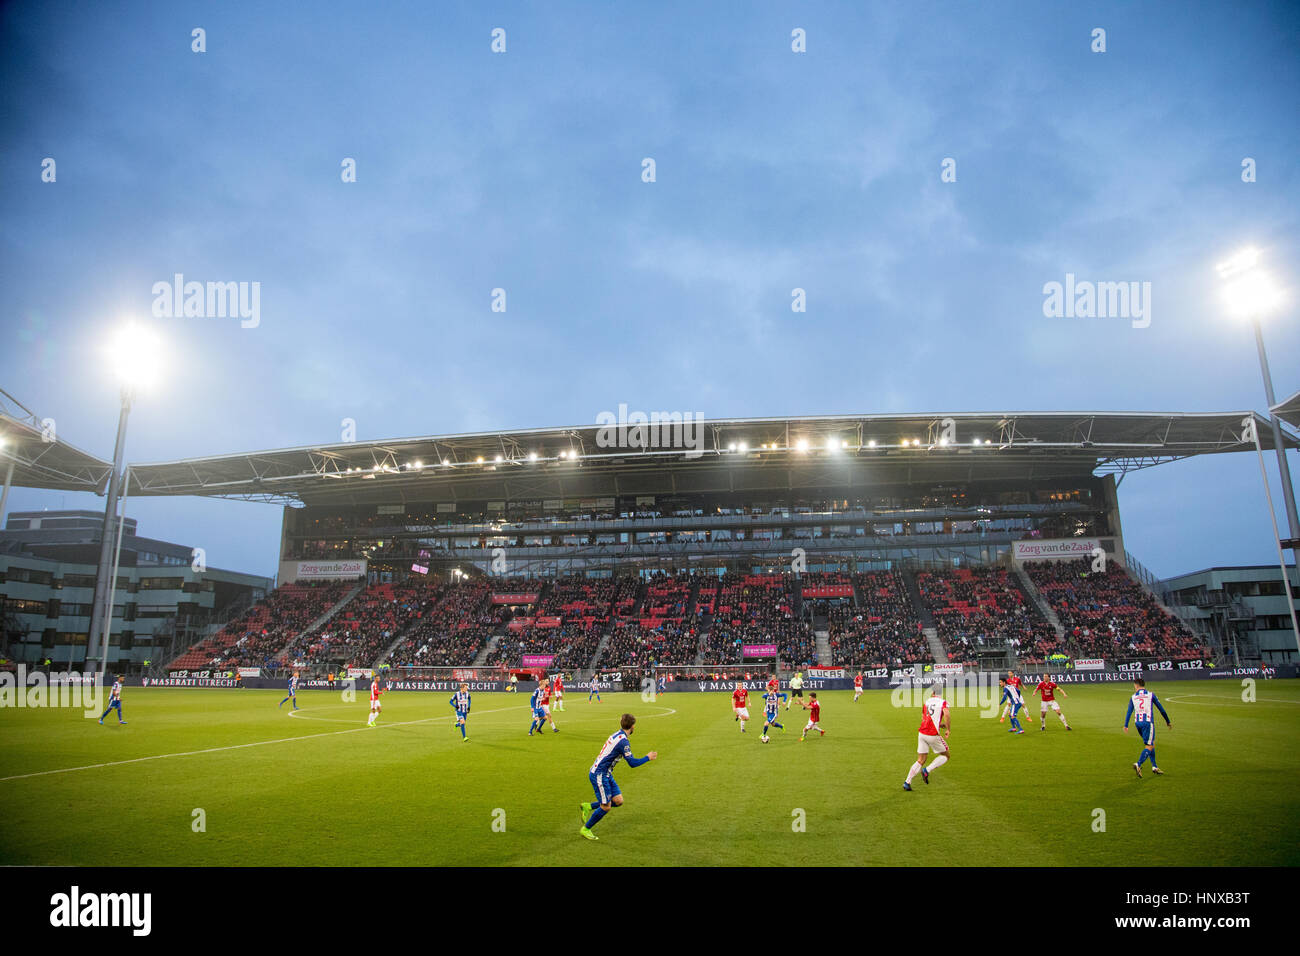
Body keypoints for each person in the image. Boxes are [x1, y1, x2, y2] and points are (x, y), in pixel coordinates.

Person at [578, 713, 658, 841]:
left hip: (606, 773)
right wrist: (647, 757)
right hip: (599, 774)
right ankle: (586, 829)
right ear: (632, 726)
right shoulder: (623, 742)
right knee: (606, 806)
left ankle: (588, 806)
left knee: (618, 801)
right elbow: (632, 763)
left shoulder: (617, 734)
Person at [903, 685, 950, 791]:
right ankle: (927, 770)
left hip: (922, 733)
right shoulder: (943, 702)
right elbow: (946, 714)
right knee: (946, 755)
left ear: (933, 693)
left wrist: (939, 724)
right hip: (932, 734)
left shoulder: (927, 701)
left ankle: (907, 782)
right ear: (940, 693)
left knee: (921, 759)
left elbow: (925, 717)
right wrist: (948, 729)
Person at [1123, 678, 1171, 778]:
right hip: (1148, 723)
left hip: (1138, 723)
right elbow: (1161, 709)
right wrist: (1168, 721)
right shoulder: (1150, 695)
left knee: (1151, 743)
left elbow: (1129, 711)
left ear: (1136, 685)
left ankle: (1154, 766)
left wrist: (1126, 725)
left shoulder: (1133, 697)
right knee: (1149, 746)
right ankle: (1138, 764)